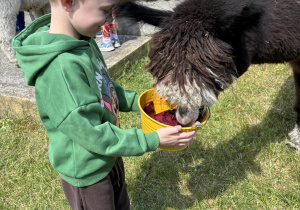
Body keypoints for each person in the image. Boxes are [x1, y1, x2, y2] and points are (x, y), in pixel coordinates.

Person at [12, 0, 196, 209]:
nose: (111, 19)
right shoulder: (61, 69)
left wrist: (142, 102)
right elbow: (93, 134)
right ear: (68, 3)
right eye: (106, 11)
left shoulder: (83, 41)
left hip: (109, 154)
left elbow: (104, 86)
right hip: (89, 174)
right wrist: (151, 140)